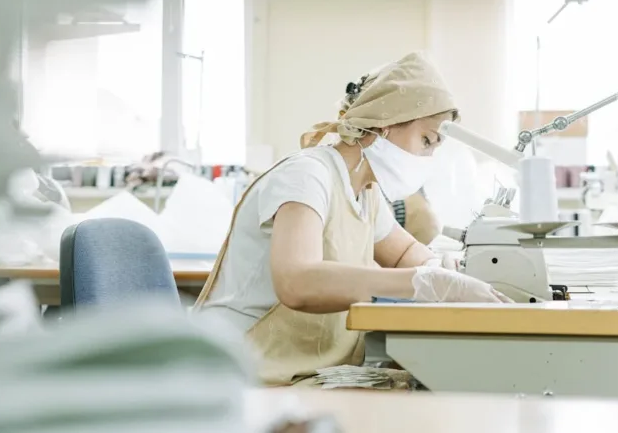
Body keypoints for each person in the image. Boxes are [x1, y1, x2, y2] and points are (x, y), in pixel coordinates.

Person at [194, 52, 511, 387]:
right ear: (385, 126)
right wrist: (425, 283)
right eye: (426, 141)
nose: (429, 157)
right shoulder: (307, 175)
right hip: (240, 372)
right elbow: (297, 282)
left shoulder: (365, 190)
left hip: (296, 368)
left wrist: (446, 268)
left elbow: (403, 254)